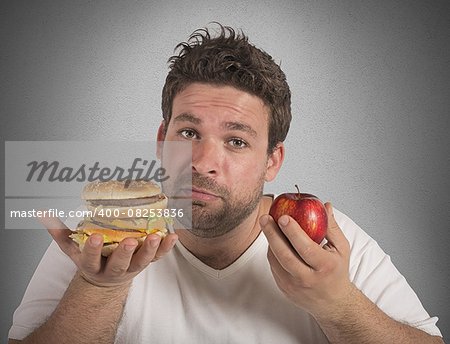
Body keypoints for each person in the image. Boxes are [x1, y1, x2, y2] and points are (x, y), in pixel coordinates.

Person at [8, 25, 444, 343]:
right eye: (189, 133)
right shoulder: (106, 232)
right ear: (162, 141)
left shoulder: (326, 247)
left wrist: (339, 305)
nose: (202, 163)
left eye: (236, 141)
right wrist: (99, 288)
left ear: (273, 161)